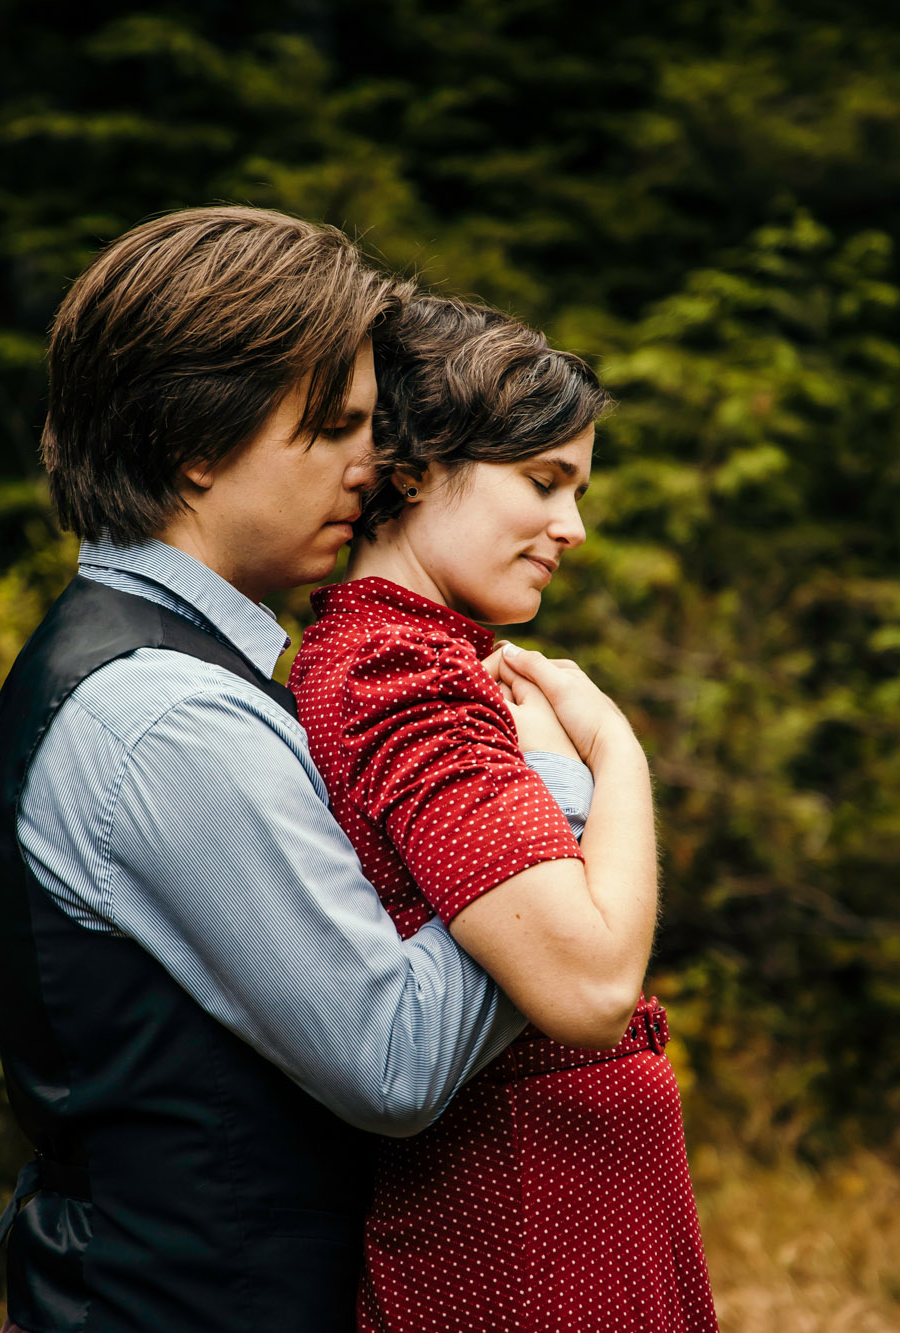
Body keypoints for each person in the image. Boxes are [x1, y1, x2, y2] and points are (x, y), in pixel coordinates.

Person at [0, 208, 612, 1333]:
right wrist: (551, 792)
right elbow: (395, 1058)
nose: (377, 462)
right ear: (195, 445)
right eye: (336, 426)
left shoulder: (150, 667)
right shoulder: (165, 714)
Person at [288, 294, 720, 1332]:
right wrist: (616, 754)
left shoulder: (427, 655)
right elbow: (586, 985)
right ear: (418, 466)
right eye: (543, 482)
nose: (572, 527)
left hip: (553, 1216)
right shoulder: (401, 673)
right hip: (523, 1237)